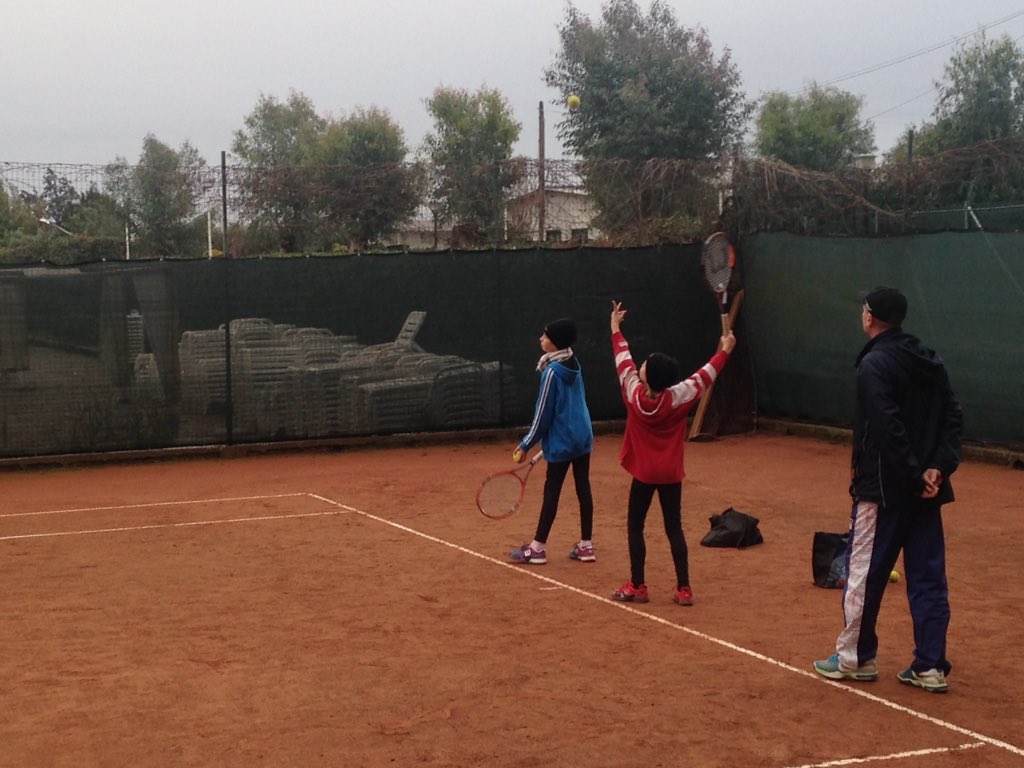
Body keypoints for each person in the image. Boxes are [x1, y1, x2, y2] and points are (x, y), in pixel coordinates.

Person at [813, 287, 963, 693]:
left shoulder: (873, 365)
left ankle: (855, 658)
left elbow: (887, 428)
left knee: (863, 575)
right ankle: (930, 666)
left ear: (869, 317)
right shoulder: (929, 359)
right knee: (929, 577)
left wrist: (917, 476)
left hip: (883, 492)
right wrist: (937, 469)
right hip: (925, 491)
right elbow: (953, 416)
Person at [608, 300, 735, 605]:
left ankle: (638, 585)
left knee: (635, 526)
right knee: (673, 528)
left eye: (646, 365)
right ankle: (684, 589)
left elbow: (622, 358)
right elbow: (705, 375)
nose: (640, 365)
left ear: (648, 377)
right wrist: (725, 349)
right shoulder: (679, 398)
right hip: (670, 474)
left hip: (643, 474)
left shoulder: (632, 393)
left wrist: (615, 327)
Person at [509, 317, 596, 565]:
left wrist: (526, 444)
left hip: (563, 441)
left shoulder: (551, 373)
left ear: (555, 343)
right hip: (582, 436)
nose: (541, 338)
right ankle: (586, 546)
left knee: (552, 491)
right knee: (583, 488)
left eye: (545, 336)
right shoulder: (573, 362)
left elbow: (542, 414)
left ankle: (537, 548)